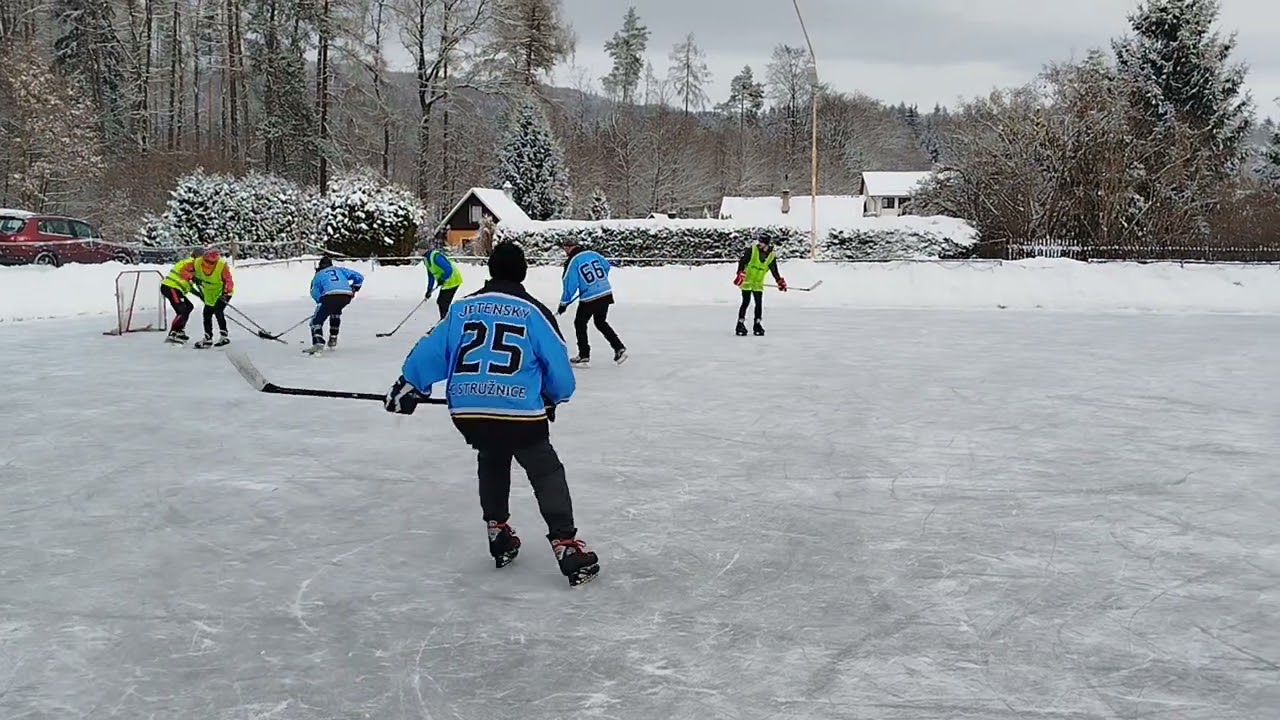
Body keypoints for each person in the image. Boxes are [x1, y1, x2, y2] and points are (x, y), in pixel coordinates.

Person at [383, 241, 600, 587]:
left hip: (469, 411)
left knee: (492, 454)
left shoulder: (461, 309)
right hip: (519, 413)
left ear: (490, 270)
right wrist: (552, 398)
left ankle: (497, 530)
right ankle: (566, 545)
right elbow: (560, 371)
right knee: (545, 469)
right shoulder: (533, 312)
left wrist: (409, 386)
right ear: (523, 272)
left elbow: (429, 351)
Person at [557, 239, 626, 366]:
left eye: (565, 248)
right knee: (600, 322)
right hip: (605, 292)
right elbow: (606, 265)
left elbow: (569, 284)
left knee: (580, 323)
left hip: (590, 297)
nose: (565, 251)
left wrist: (563, 303)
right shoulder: (593, 254)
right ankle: (619, 348)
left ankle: (584, 356)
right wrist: (599, 282)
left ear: (568, 247)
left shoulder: (572, 261)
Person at [305, 256, 364, 354]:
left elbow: (314, 292)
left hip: (329, 296)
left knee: (316, 321)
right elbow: (359, 277)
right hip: (346, 295)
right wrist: (354, 288)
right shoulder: (339, 270)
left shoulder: (318, 275)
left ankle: (318, 343)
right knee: (335, 312)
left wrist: (321, 304)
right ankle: (333, 337)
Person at [733, 238, 787, 336]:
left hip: (758, 283)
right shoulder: (752, 251)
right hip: (747, 281)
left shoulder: (771, 256)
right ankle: (740, 324)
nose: (759, 244)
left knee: (758, 304)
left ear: (767, 244)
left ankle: (757, 324)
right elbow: (742, 261)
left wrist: (779, 281)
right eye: (760, 242)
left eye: (762, 242)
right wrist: (740, 273)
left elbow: (774, 270)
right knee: (746, 302)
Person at [192, 248, 235, 348]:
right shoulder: (197, 263)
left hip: (223, 292)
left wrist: (226, 292)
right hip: (209, 294)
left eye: (213, 262)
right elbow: (187, 272)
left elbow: (228, 280)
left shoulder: (221, 265)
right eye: (208, 261)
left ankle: (224, 336)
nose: (210, 264)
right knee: (206, 314)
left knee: (218, 311)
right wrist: (193, 278)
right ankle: (208, 338)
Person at [159, 248, 203, 344]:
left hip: (177, 289)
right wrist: (194, 278)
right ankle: (173, 333)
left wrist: (199, 295)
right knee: (181, 310)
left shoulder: (195, 267)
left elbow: (189, 286)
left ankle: (179, 330)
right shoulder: (191, 262)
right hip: (171, 287)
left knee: (189, 306)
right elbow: (184, 273)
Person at [423, 243, 463, 319]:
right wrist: (429, 289)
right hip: (446, 282)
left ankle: (446, 321)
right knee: (441, 302)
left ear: (425, 249)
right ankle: (445, 321)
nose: (418, 251)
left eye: (419, 249)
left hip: (453, 280)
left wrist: (442, 279)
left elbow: (448, 269)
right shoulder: (426, 260)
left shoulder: (436, 256)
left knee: (443, 302)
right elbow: (431, 275)